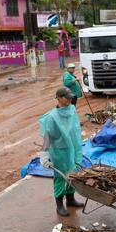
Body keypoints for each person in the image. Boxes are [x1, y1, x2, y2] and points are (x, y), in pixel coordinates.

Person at [38, 87, 84, 216]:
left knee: (72, 174)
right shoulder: (52, 117)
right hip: (60, 151)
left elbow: (75, 128)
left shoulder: (72, 109)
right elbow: (47, 137)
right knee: (60, 177)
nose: (69, 99)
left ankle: (70, 199)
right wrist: (44, 155)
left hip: (73, 148)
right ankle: (59, 205)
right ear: (58, 98)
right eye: (66, 97)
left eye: (70, 96)